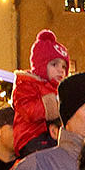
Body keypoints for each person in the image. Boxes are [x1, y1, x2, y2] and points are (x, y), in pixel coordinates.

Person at [12, 28, 71, 157]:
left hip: (50, 136)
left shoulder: (57, 89)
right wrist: (53, 104)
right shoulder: (26, 84)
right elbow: (29, 111)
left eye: (64, 66)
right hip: (31, 138)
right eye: (54, 65)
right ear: (41, 65)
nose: (60, 70)